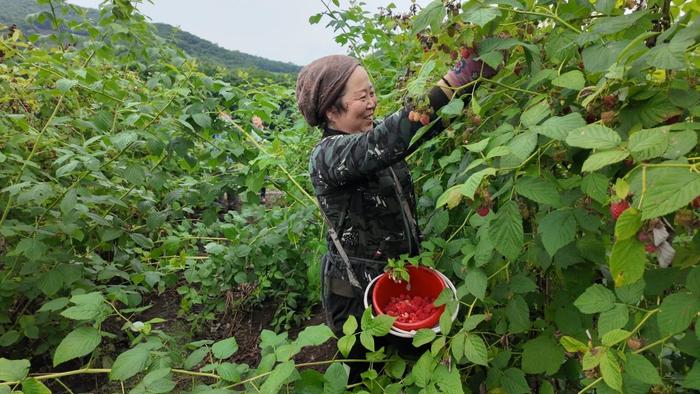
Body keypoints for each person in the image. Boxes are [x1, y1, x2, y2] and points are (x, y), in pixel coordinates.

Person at [295, 45, 495, 380]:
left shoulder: (370, 139)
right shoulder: (327, 157)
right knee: (367, 377)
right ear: (331, 110)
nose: (372, 102)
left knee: (411, 372)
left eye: (373, 92)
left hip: (400, 279)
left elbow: (419, 127)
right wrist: (453, 79)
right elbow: (391, 136)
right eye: (362, 96)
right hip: (356, 294)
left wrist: (470, 83)